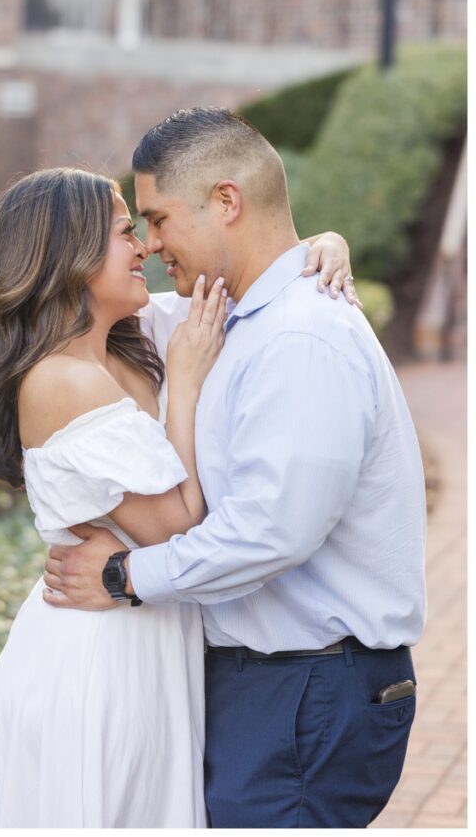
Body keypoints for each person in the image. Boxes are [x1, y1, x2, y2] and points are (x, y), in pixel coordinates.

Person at [44, 108, 426, 828]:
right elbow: (88, 308)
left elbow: (269, 533)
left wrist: (124, 576)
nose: (152, 245)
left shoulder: (302, 337)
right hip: (271, 686)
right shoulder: (226, 314)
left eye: (158, 219)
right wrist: (318, 241)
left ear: (226, 201)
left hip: (309, 690)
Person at [0, 165, 357, 827]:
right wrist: (185, 387)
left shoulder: (135, 344)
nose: (143, 247)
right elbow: (177, 527)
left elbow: (256, 275)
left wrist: (327, 245)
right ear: (70, 254)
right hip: (97, 660)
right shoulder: (62, 380)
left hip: (151, 643)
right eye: (124, 233)